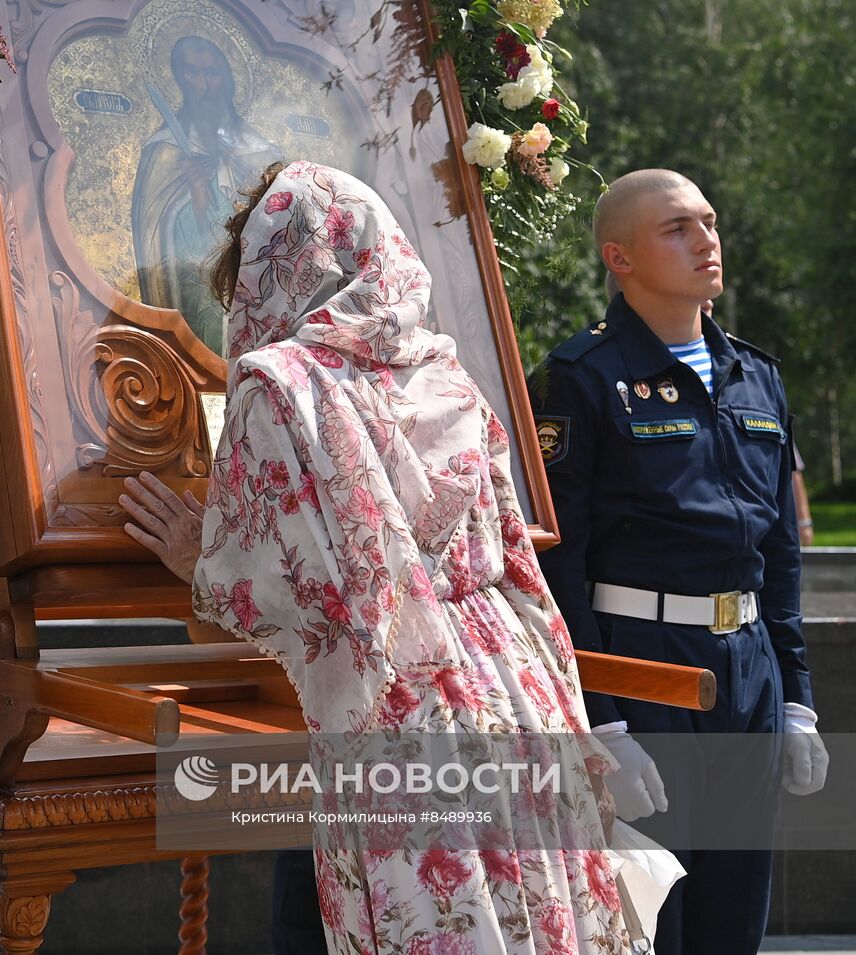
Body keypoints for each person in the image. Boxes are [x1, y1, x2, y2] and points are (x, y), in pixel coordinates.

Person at [121, 160, 627, 953]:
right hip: (515, 682)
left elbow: (301, 593)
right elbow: (510, 544)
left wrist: (199, 558)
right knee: (539, 911)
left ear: (274, 262)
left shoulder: (280, 382)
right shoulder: (445, 369)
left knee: (435, 918)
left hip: (403, 695)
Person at [529, 168, 828, 955]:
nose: (706, 240)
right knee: (648, 917)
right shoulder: (580, 379)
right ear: (618, 257)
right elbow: (559, 567)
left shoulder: (754, 376)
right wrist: (603, 724)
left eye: (709, 222)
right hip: (643, 666)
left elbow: (778, 555)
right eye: (677, 228)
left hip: (748, 670)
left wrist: (796, 699)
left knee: (735, 913)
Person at [132, 34, 279, 355]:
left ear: (227, 79)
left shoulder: (260, 150)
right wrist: (197, 201)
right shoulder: (166, 150)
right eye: (191, 73)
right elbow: (159, 234)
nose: (203, 84)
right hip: (205, 286)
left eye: (211, 73)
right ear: (178, 79)